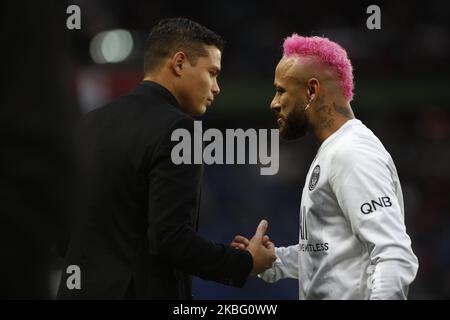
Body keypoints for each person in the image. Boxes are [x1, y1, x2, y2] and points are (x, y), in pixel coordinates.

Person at [57, 18, 275, 300]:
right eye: (212, 72)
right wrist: (245, 263)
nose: (217, 87)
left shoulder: (89, 124)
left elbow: (63, 237)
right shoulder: (179, 131)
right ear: (180, 63)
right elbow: (170, 240)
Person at [231, 34, 418, 299]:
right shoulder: (334, 150)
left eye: (281, 90)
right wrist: (275, 262)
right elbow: (331, 251)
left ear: (311, 90)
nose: (273, 102)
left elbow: (394, 255)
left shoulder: (352, 152)